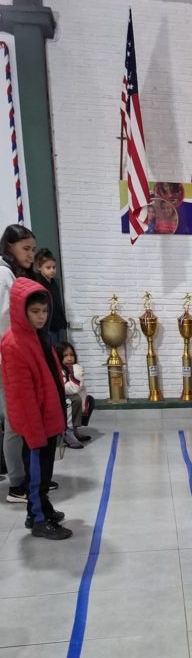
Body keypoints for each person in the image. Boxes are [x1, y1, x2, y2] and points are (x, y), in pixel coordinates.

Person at [0, 277, 73, 540]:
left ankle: (40, 510)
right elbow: (21, 395)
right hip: (35, 426)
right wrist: (34, 433)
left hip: (47, 419)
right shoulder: (13, 343)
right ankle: (39, 520)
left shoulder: (37, 337)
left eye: (44, 311)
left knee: (44, 474)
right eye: (34, 312)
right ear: (21, 310)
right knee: (36, 477)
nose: (41, 317)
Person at [0, 224, 36, 503]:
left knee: (20, 420)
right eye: (25, 249)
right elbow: (7, 322)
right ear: (9, 246)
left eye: (32, 249)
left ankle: (26, 475)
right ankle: (16, 484)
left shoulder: (12, 273)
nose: (31, 254)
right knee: (14, 422)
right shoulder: (2, 275)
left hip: (14, 358)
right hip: (6, 359)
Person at [55, 341, 94, 448]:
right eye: (65, 356)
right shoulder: (59, 370)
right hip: (58, 397)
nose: (69, 358)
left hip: (69, 395)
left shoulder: (71, 369)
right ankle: (68, 432)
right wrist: (76, 372)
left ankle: (75, 430)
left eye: (71, 355)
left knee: (88, 400)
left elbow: (80, 389)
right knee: (74, 400)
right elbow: (72, 388)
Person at [33, 247, 67, 343]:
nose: (52, 270)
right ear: (40, 267)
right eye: (48, 268)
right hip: (46, 326)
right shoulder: (38, 284)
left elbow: (57, 304)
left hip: (54, 324)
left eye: (54, 267)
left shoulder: (53, 282)